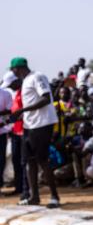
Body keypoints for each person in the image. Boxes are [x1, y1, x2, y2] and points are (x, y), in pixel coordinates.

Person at [9, 57, 61, 207]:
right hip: (30, 125)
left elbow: (46, 98)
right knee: (29, 161)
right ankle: (34, 197)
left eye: (14, 69)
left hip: (43, 124)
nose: (13, 72)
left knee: (42, 160)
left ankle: (54, 197)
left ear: (17, 68)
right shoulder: (25, 81)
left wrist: (23, 110)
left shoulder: (37, 77)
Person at [2, 72, 26, 197]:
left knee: (23, 160)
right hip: (15, 131)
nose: (10, 87)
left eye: (11, 84)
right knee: (16, 160)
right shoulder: (16, 93)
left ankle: (25, 188)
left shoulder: (24, 92)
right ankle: (19, 187)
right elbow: (13, 114)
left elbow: (22, 113)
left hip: (24, 131)